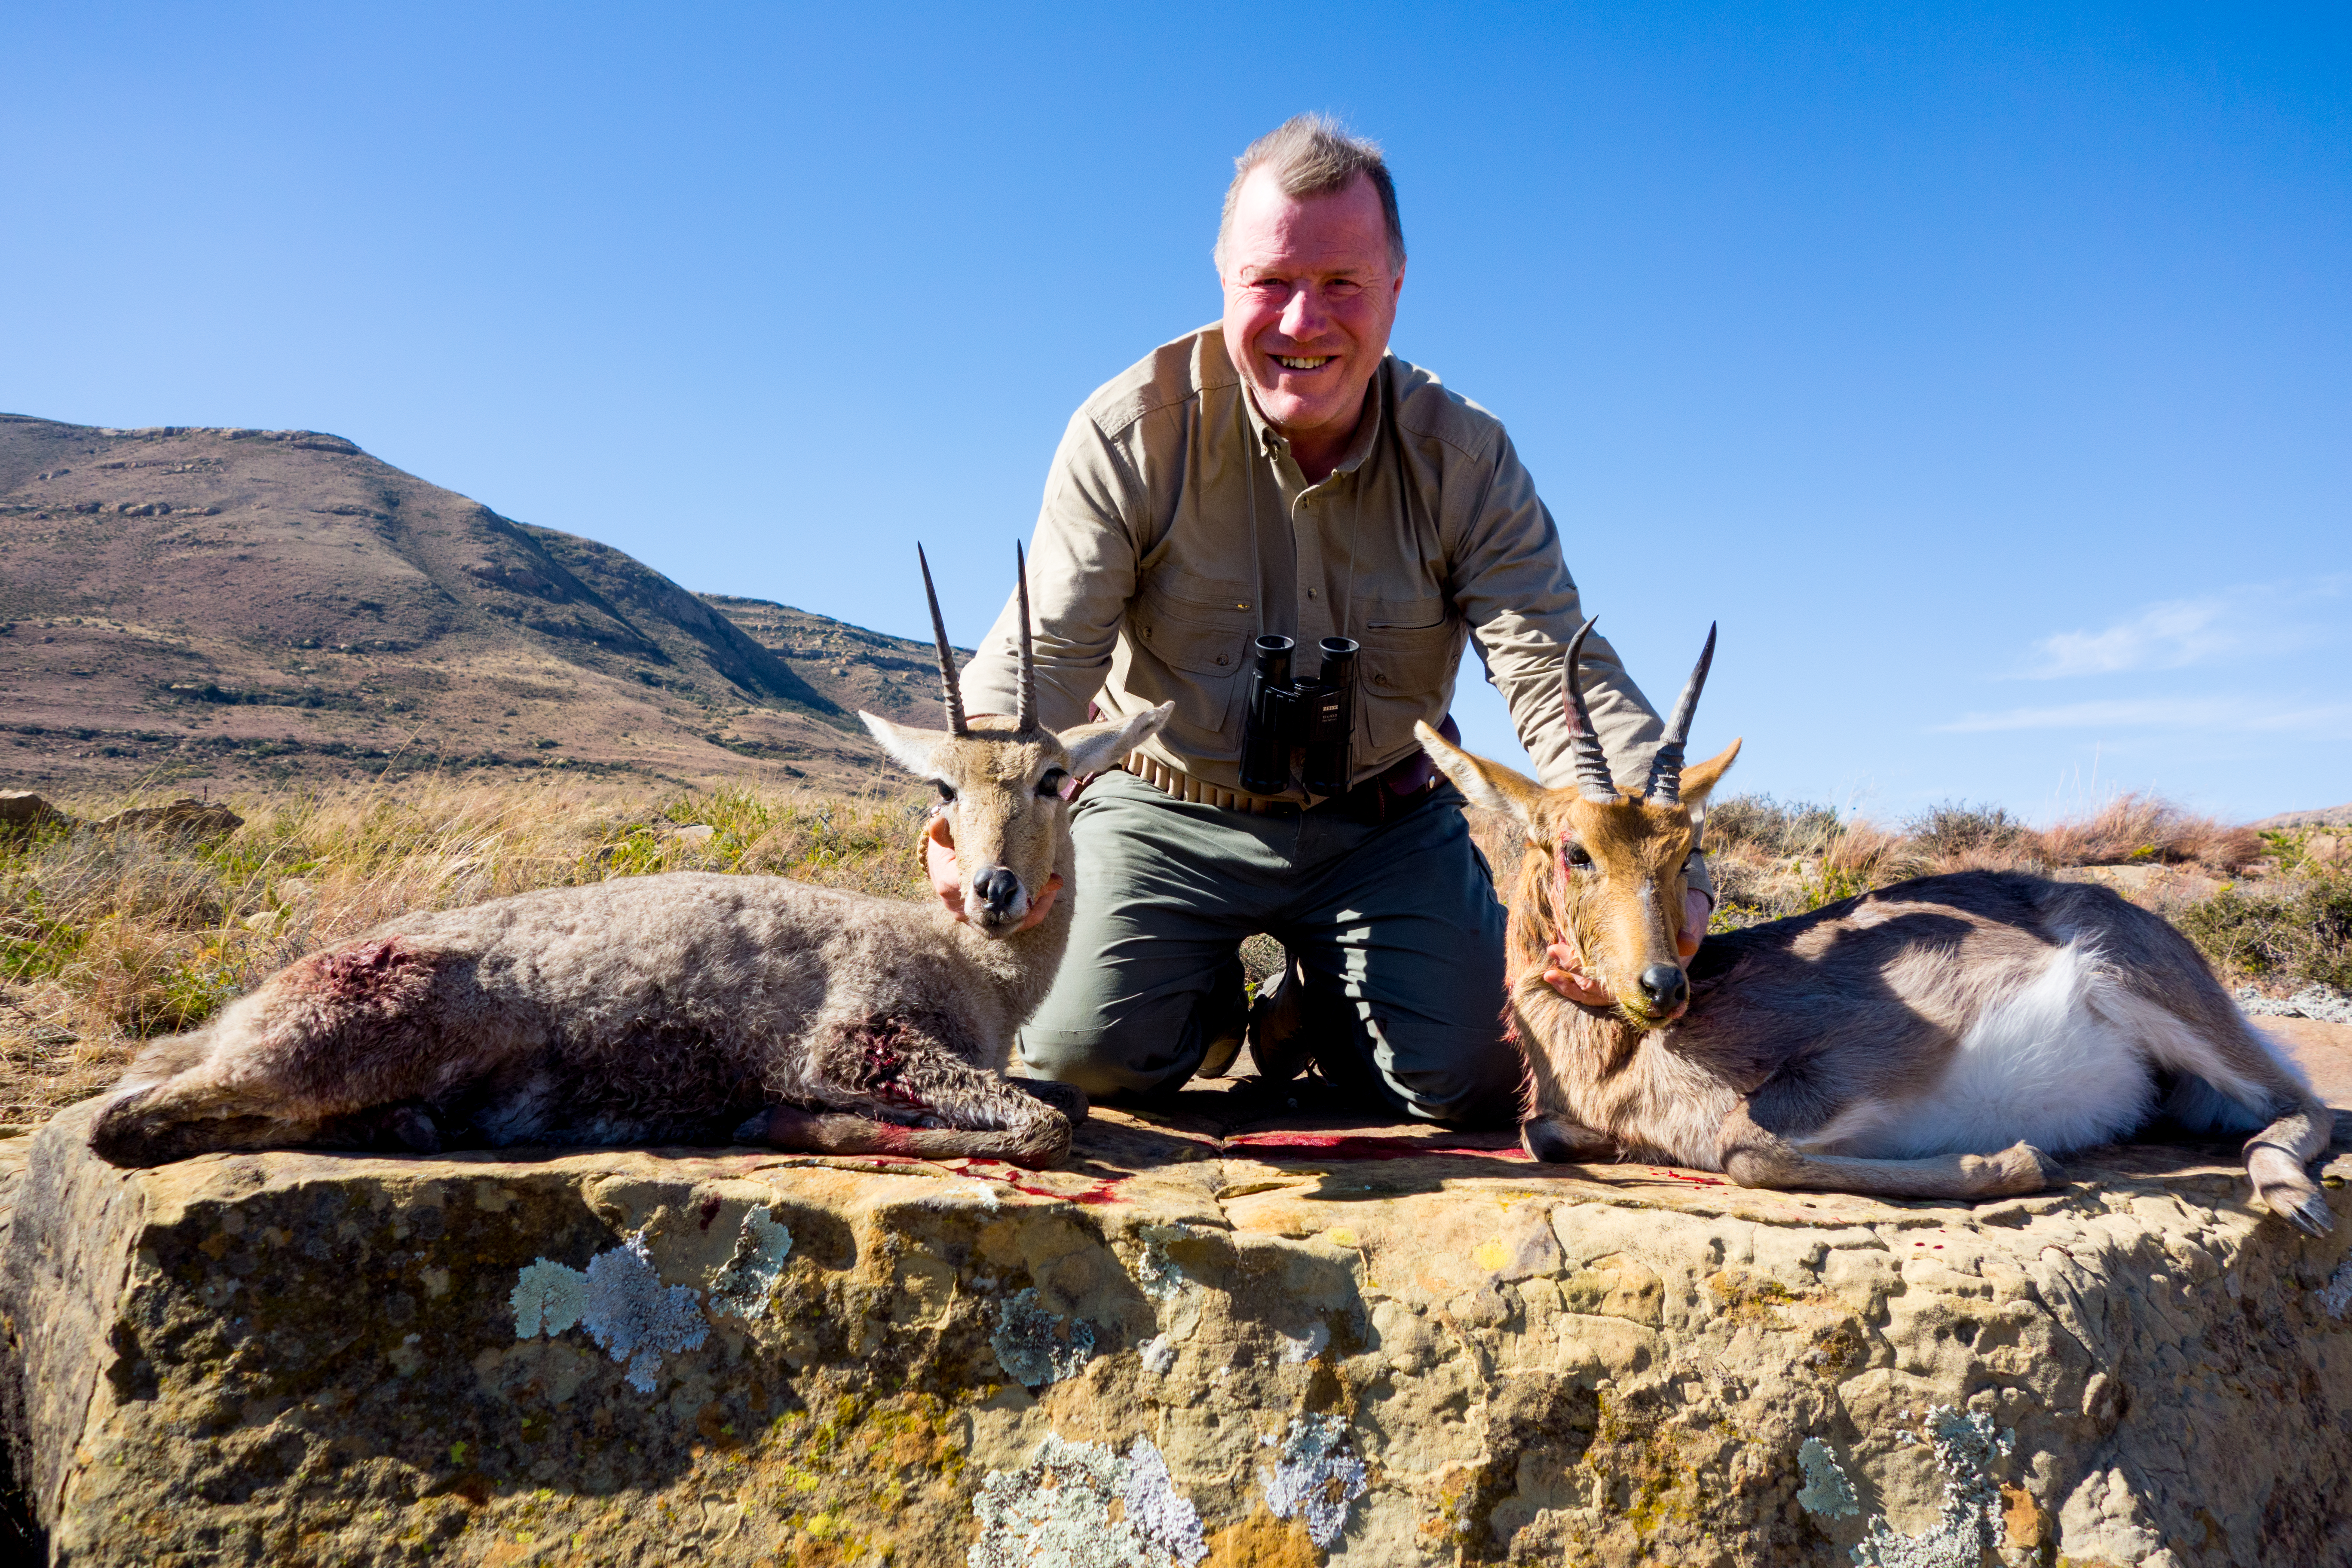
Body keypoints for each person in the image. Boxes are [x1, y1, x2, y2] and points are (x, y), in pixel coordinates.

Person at [939, 113, 1711, 1125]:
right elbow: (1037, 666)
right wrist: (972, 829)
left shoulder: (1466, 461)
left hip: (1382, 827)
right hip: (1167, 811)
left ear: (1396, 287)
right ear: (1223, 277)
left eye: (1342, 284)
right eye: (1270, 283)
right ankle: (1202, 991)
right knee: (1084, 1057)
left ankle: (1318, 1010)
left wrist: (1664, 860)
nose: (1304, 322)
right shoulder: (1129, 433)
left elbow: (1556, 674)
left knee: (1488, 1079)